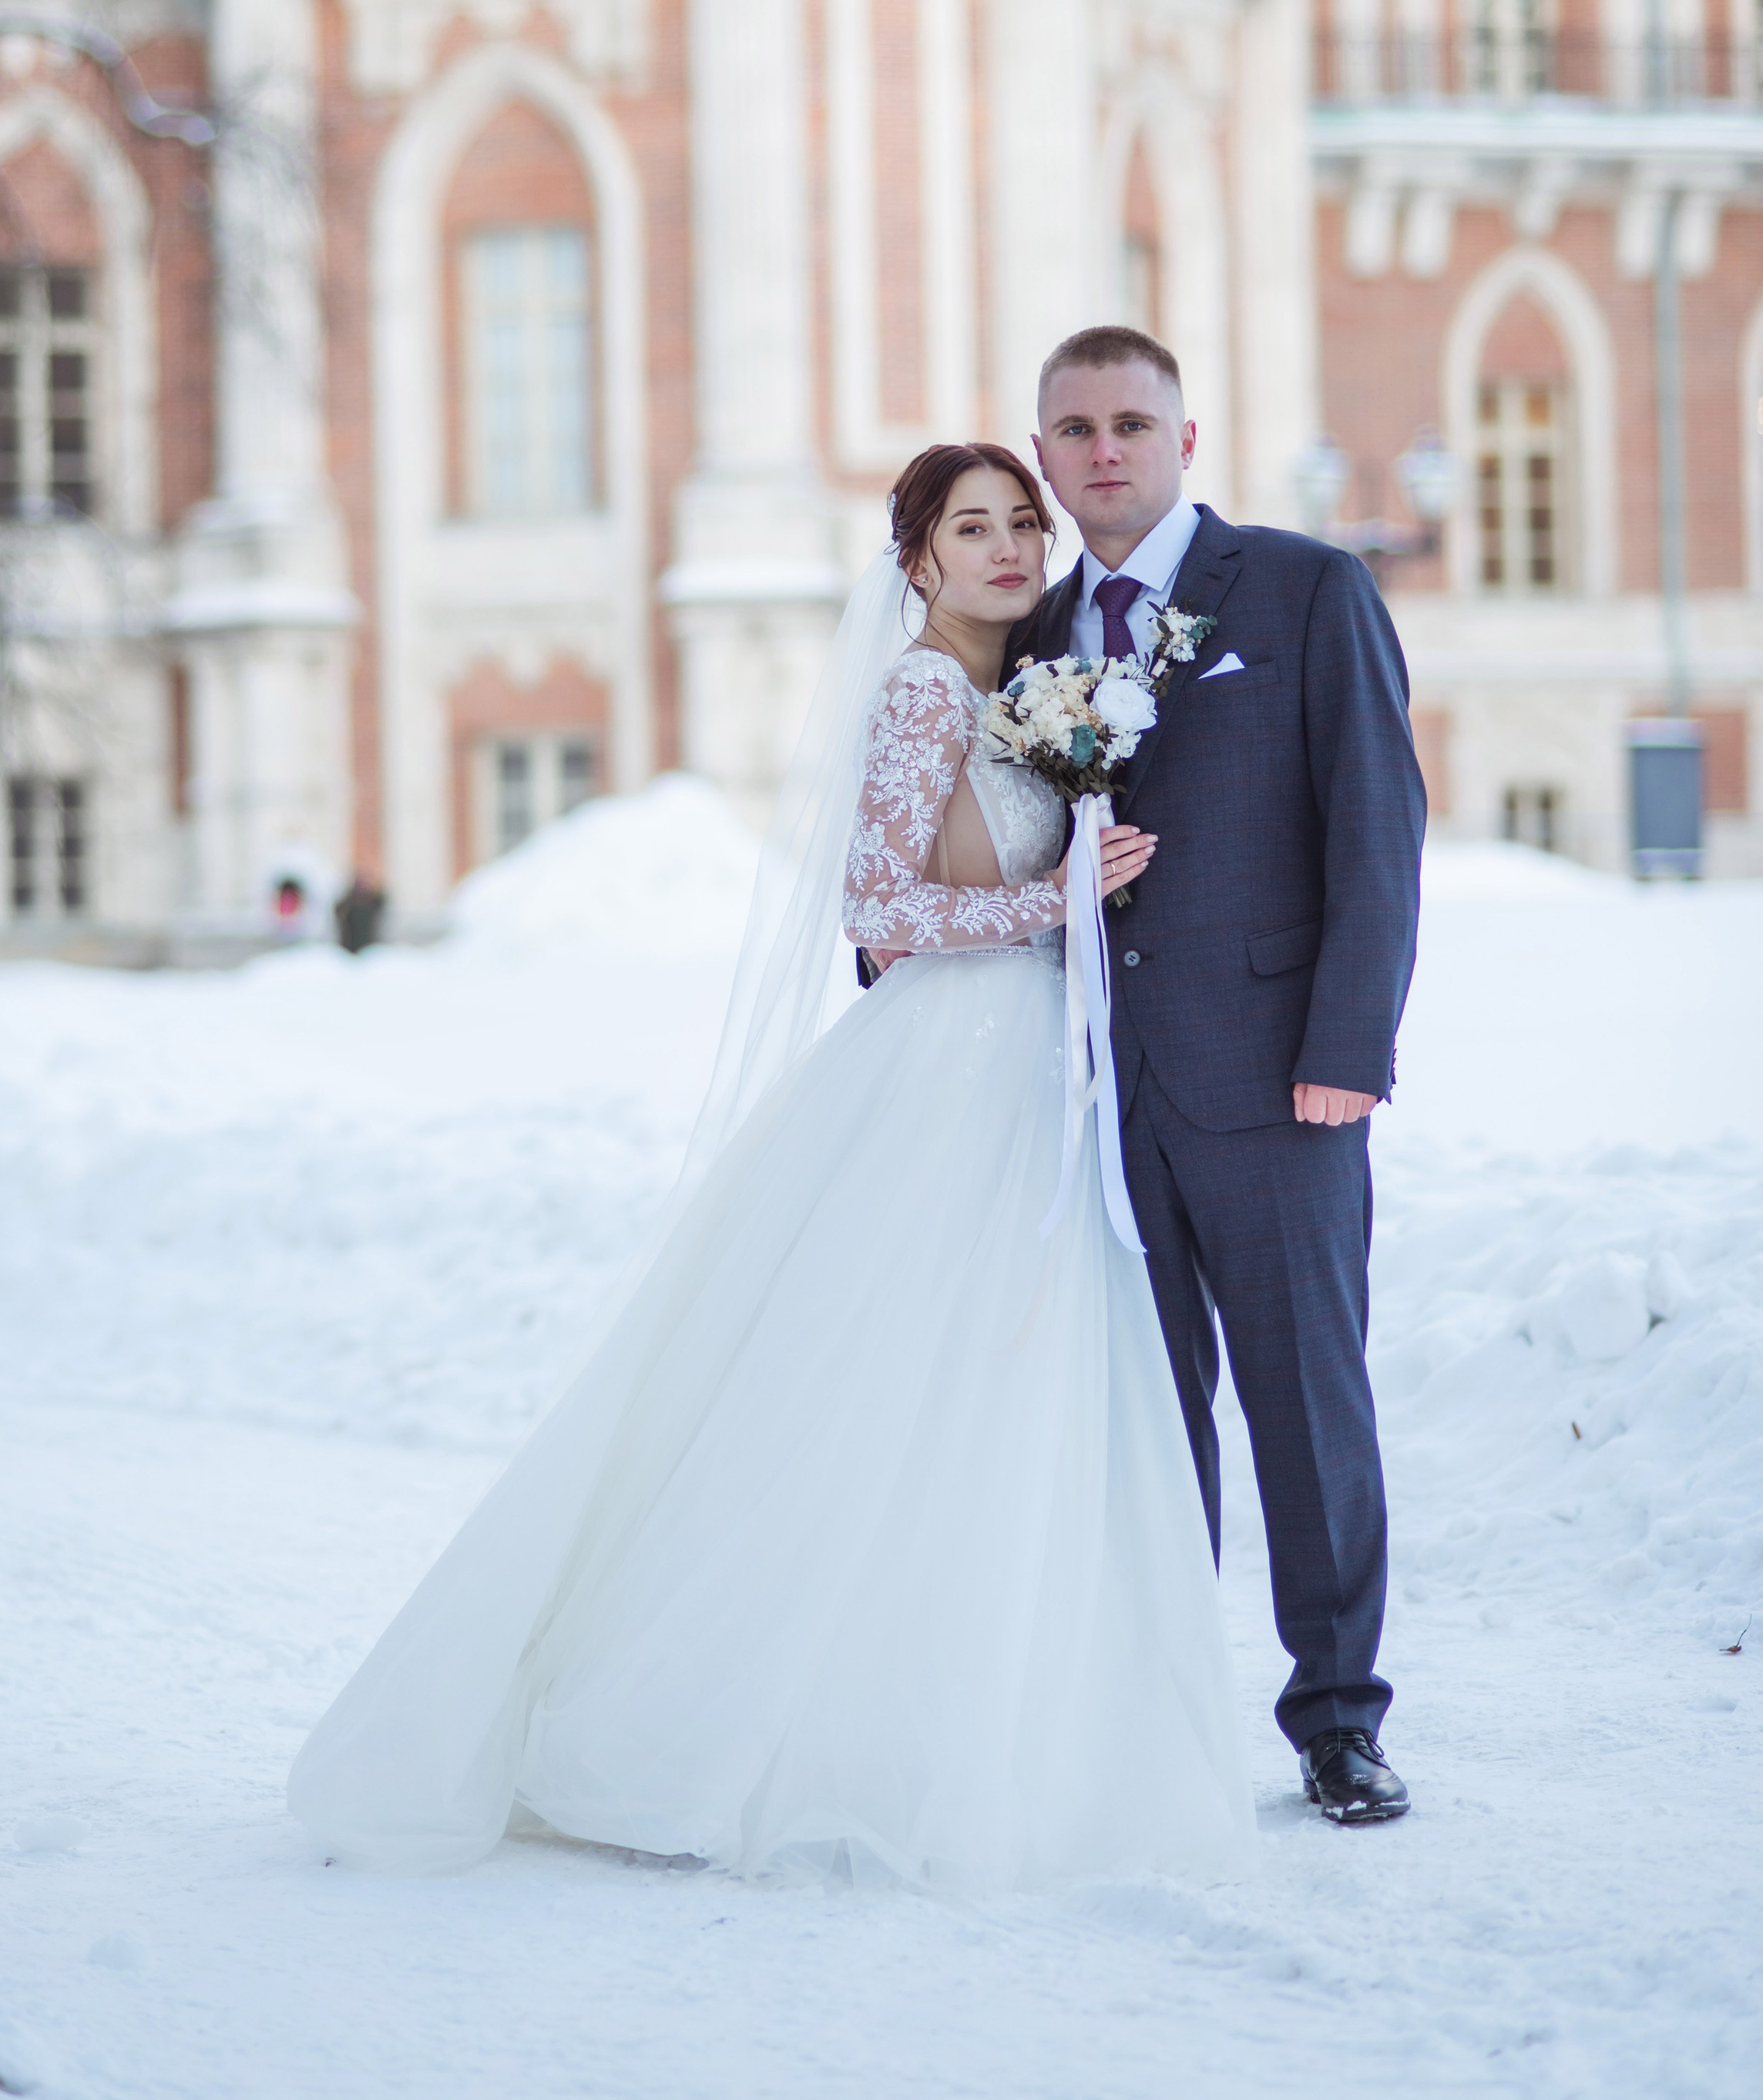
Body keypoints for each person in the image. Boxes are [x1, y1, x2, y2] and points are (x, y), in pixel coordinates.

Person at [287, 442, 1256, 1893]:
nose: (1005, 550)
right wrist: (1055, 902)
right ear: (915, 562)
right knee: (884, 1388)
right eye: (969, 529)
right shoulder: (926, 689)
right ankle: (756, 1725)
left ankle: (978, 1715)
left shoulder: (1020, 692)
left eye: (1021, 526)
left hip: (1026, 1076)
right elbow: (875, 906)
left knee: (998, 1395)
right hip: (945, 1075)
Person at [1004, 325, 1426, 1827]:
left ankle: (1335, 1720)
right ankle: (1160, 1715)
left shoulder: (1305, 592)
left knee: (1305, 1408)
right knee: (1139, 1414)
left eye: (1129, 421)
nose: (1100, 448)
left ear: (1188, 437)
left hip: (1273, 1089)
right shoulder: (1034, 636)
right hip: (1102, 1104)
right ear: (1041, 453)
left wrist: (1345, 1053)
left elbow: (1374, 829)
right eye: (1071, 428)